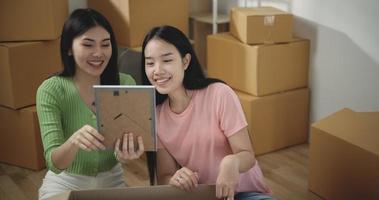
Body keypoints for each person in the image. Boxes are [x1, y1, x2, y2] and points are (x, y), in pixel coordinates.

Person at [141, 25, 274, 200]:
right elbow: (165, 175)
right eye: (150, 63)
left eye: (166, 60)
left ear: (185, 61)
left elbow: (247, 156)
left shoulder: (219, 93)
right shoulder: (156, 117)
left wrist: (231, 162)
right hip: (202, 195)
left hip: (245, 193)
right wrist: (175, 179)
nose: (157, 70)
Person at [36, 8, 144, 200]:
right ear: (68, 48)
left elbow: (125, 144)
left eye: (105, 44)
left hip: (113, 180)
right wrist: (74, 142)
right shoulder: (50, 90)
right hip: (65, 181)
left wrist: (128, 152)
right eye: (88, 45)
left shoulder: (125, 84)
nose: (98, 53)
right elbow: (54, 163)